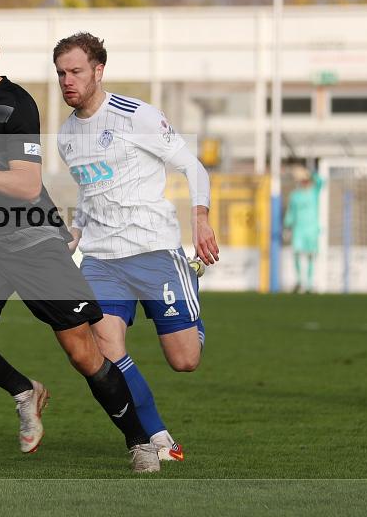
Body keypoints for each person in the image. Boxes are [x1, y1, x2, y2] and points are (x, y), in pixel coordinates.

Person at [0, 14, 158, 472]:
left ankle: (140, 441)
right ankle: (24, 391)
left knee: (83, 354)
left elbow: (27, 185)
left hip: (36, 242)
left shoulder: (18, 105)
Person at [52, 32, 219, 461]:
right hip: (102, 260)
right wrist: (76, 232)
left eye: (75, 71)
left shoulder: (136, 116)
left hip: (155, 252)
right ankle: (158, 438)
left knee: (185, 360)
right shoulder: (67, 136)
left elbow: (193, 167)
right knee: (104, 347)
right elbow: (91, 193)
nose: (67, 81)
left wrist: (199, 219)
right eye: (60, 74)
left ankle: (190, 285)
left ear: (98, 71)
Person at [284, 165, 323, 293]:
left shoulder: (314, 192)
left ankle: (309, 284)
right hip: (299, 229)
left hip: (312, 229)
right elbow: (291, 211)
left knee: (311, 255)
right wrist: (287, 225)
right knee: (297, 253)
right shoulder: (295, 195)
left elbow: (321, 181)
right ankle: (299, 281)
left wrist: (309, 173)